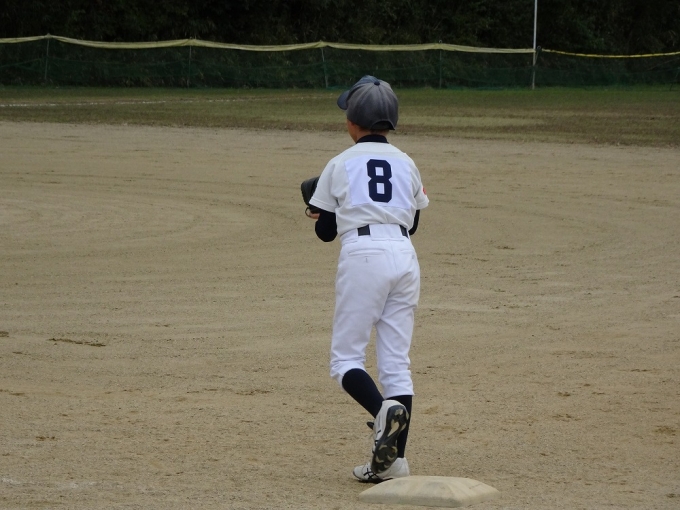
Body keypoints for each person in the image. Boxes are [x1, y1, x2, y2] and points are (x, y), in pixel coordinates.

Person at [307, 76, 429, 482]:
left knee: (345, 360)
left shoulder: (340, 163)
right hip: (404, 256)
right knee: (396, 365)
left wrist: (319, 212)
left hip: (364, 255)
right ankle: (393, 463)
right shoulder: (407, 162)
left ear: (352, 122)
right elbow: (412, 221)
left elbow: (326, 233)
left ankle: (382, 412)